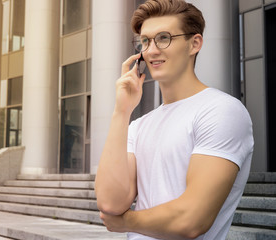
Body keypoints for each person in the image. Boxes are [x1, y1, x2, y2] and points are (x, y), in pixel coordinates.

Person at [94, 0, 254, 239]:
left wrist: (126, 221)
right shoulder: (138, 126)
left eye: (164, 38)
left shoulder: (221, 111)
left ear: (194, 44)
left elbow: (191, 220)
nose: (151, 50)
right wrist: (122, 111)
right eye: (145, 41)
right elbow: (110, 203)